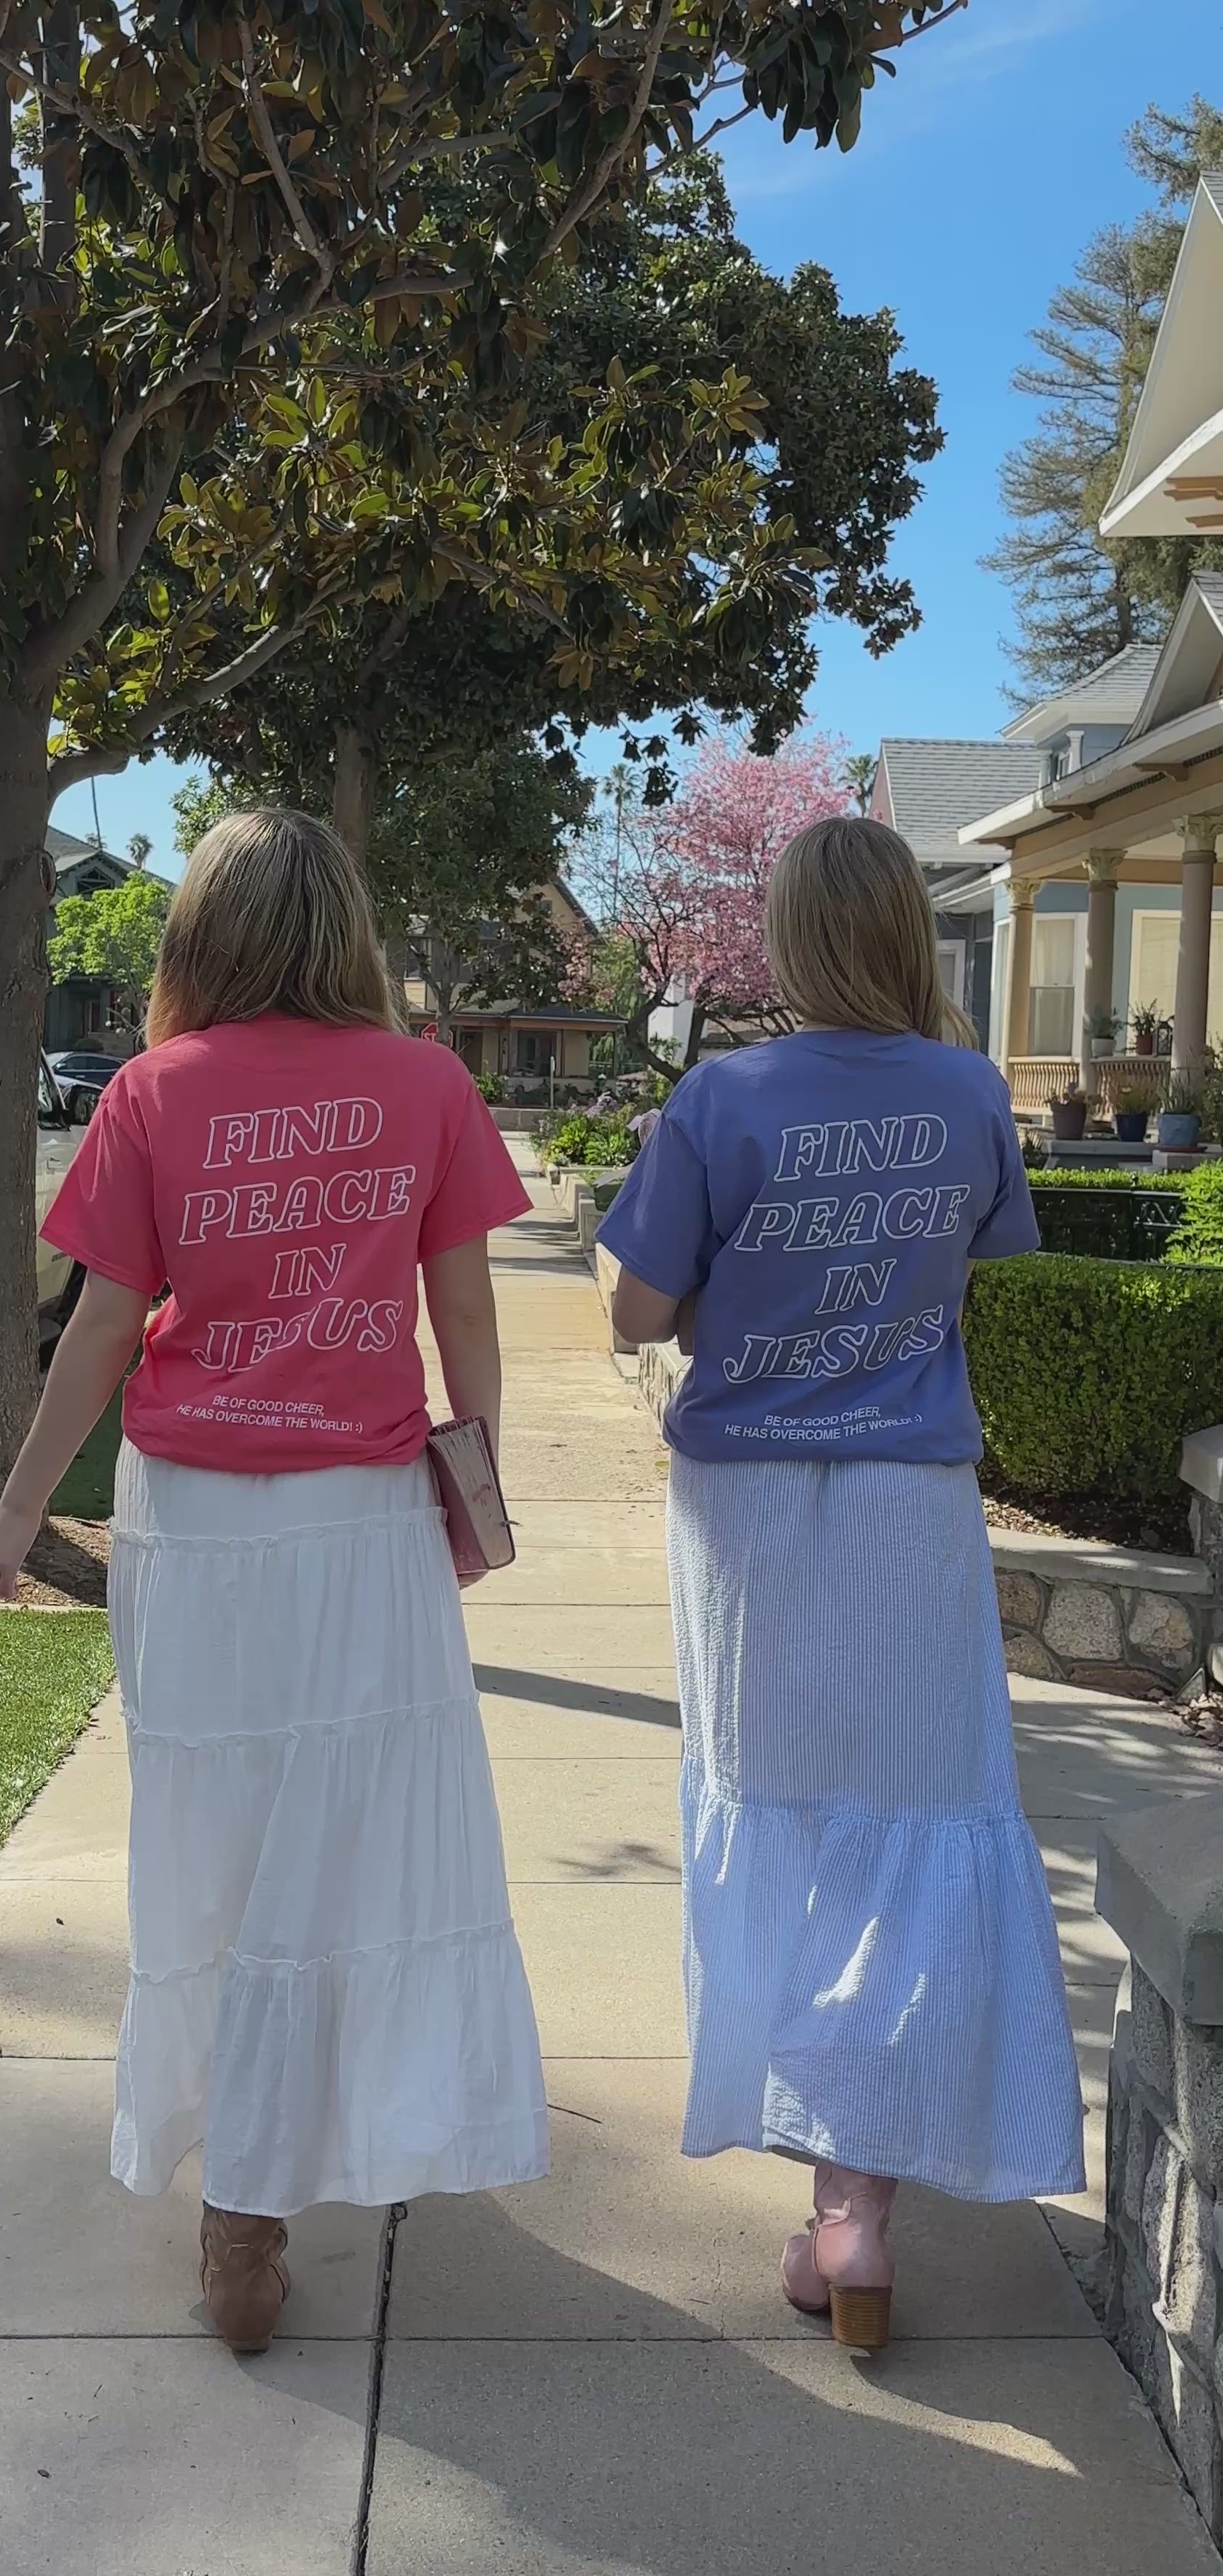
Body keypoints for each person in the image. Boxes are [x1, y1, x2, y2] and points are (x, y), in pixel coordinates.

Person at [0, 810, 548, 2354]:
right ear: (344, 929)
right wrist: (480, 1482)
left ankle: (244, 2205)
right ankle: (292, 2168)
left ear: (201, 934)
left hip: (199, 1529)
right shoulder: (425, 1082)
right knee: (347, 1851)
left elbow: (97, 1329)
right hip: (362, 1524)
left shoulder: (155, 1093)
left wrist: (16, 1520)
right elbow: (468, 1318)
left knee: (209, 1839)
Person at [595, 814, 1083, 2351]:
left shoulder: (721, 1097)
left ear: (795, 937)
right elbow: (974, 1262)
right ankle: (860, 2203)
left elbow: (635, 1310)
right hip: (906, 1501)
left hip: (741, 1511)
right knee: (908, 1815)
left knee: (782, 1816)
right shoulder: (970, 1093)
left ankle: (827, 2180)